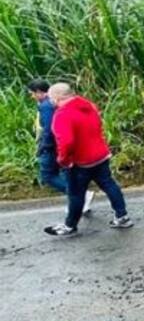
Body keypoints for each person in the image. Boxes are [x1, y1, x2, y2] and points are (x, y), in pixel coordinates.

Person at [43, 83, 133, 237]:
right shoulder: (89, 105)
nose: (50, 101)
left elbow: (66, 141)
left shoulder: (62, 114)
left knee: (76, 194)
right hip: (100, 155)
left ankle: (70, 225)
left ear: (57, 97)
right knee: (109, 184)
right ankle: (122, 216)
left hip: (80, 161)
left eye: (51, 98)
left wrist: (63, 160)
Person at [26, 79, 95, 214]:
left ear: (39, 92)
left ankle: (80, 195)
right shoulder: (53, 103)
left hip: (51, 146)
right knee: (64, 173)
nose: (32, 97)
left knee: (47, 175)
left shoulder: (46, 106)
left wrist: (43, 146)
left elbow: (48, 128)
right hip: (59, 144)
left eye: (32, 93)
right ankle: (79, 198)